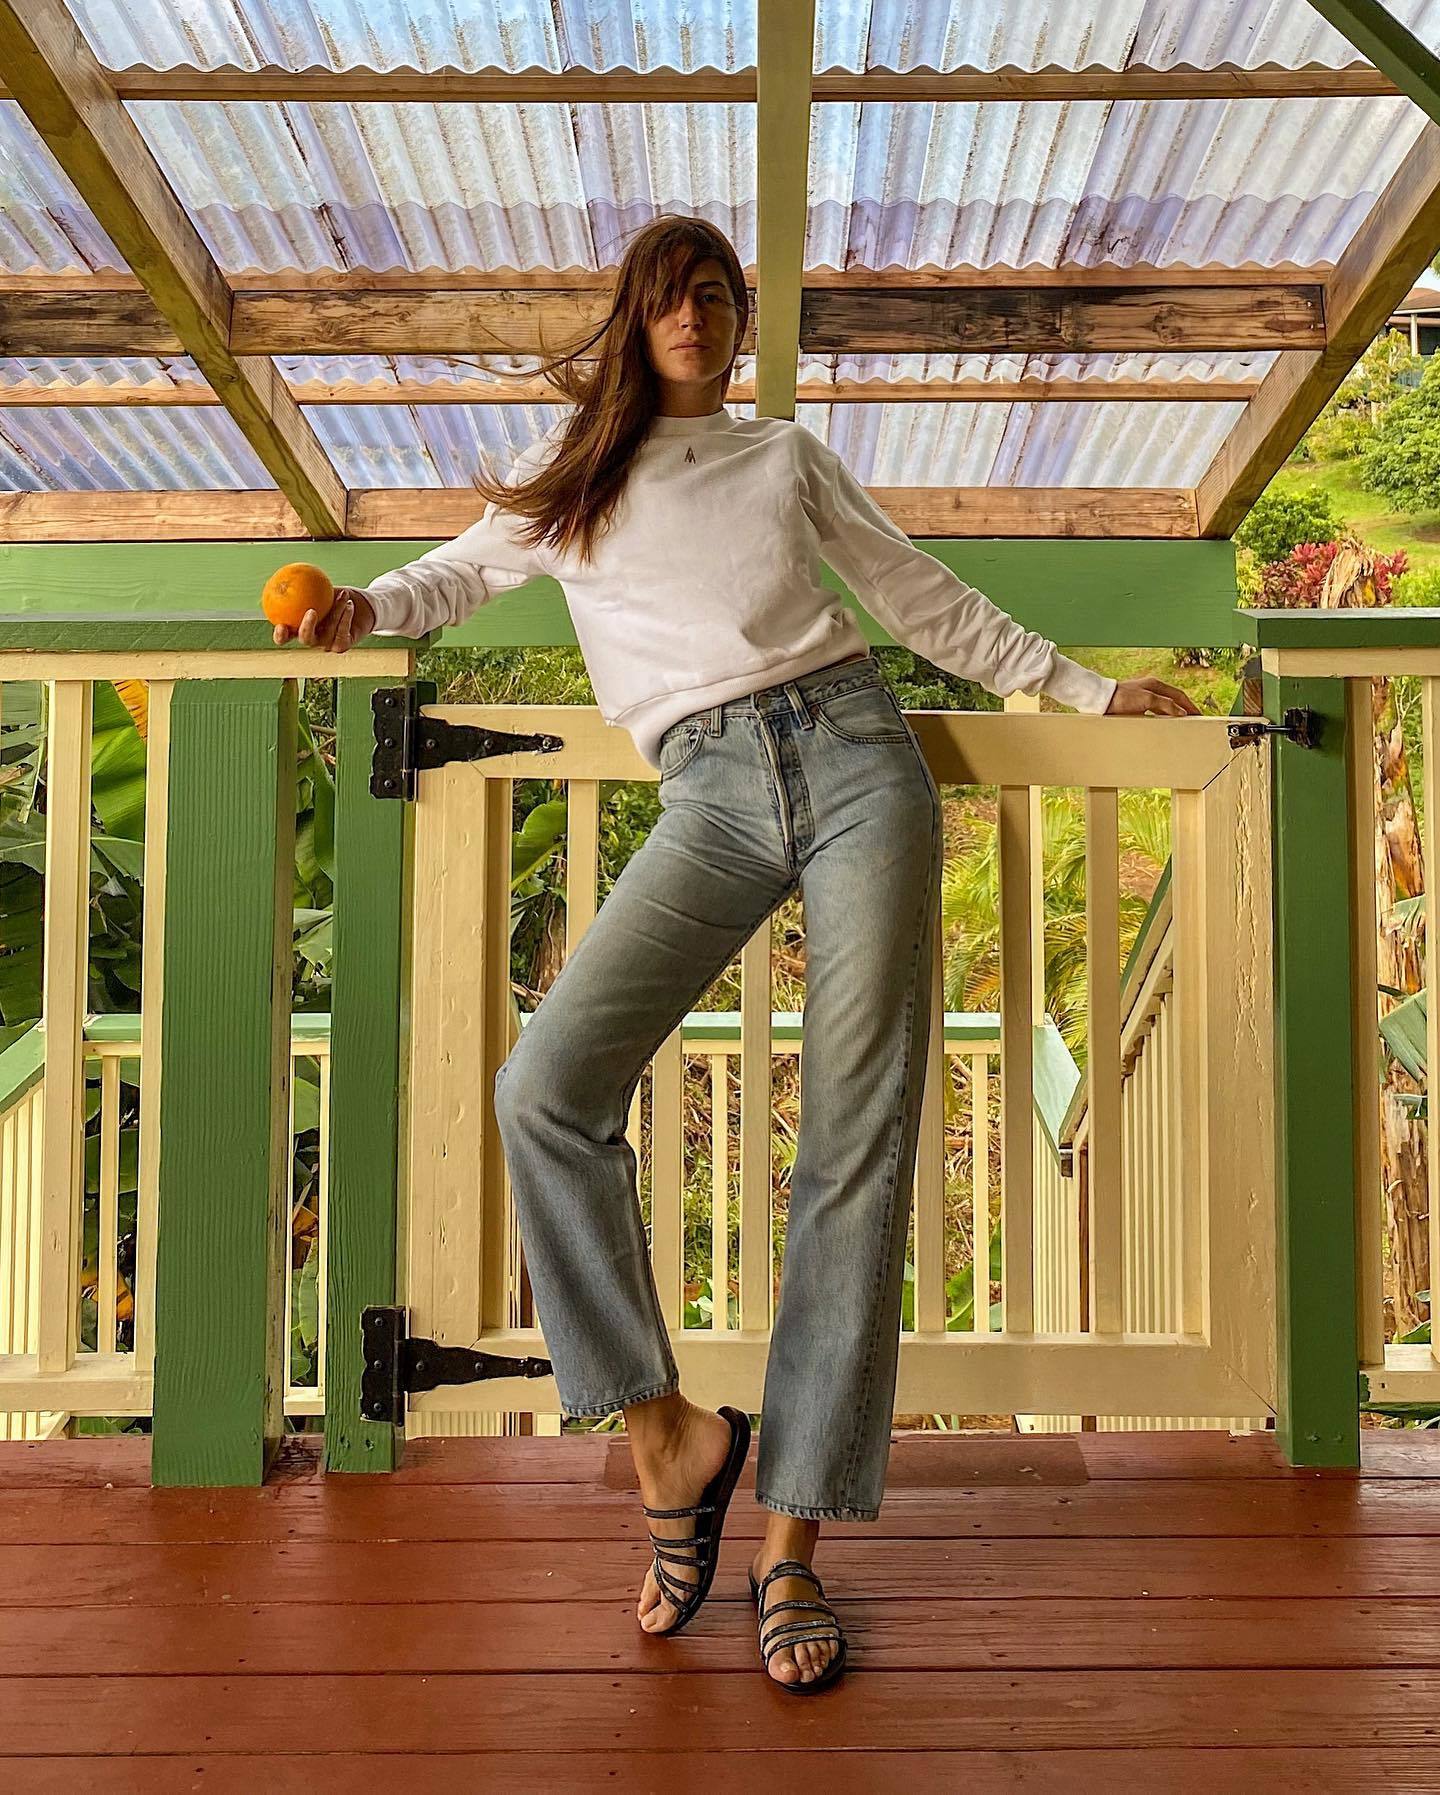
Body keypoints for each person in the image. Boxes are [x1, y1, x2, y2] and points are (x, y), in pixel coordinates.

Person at [275, 214, 1200, 1692]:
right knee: (544, 1090)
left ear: (739, 319)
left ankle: (792, 1548)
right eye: (667, 297)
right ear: (633, 322)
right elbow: (446, 580)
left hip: (857, 760)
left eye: (712, 294)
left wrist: (1085, 689)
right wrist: (356, 610)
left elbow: (915, 592)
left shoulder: (785, 460)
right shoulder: (574, 477)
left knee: (854, 1140)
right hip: (705, 792)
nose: (691, 318)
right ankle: (670, 1439)